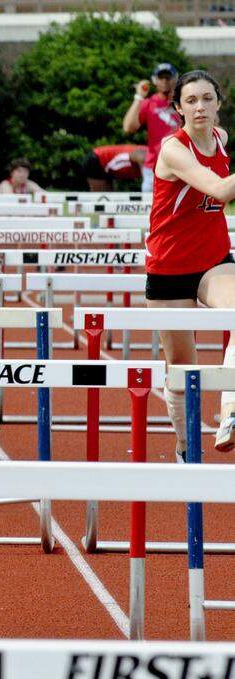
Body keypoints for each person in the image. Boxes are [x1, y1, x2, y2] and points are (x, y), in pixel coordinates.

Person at [143, 70, 235, 459]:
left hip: (213, 259)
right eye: (191, 101)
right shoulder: (173, 150)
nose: (200, 107)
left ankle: (230, 412)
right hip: (169, 267)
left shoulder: (221, 138)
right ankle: (185, 447)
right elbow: (219, 189)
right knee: (181, 369)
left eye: (207, 99)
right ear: (178, 109)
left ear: (218, 103)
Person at [124, 63, 181, 192]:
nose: (164, 81)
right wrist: (139, 97)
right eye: (161, 77)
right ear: (155, 80)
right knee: (149, 205)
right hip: (153, 167)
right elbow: (128, 127)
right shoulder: (149, 103)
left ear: (175, 79)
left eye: (168, 77)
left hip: (179, 167)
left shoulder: (183, 102)